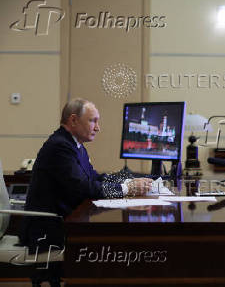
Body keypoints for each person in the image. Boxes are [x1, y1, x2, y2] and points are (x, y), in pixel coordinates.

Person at [20, 98, 152, 253]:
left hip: (63, 222)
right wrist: (126, 188)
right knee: (114, 244)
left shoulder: (75, 145)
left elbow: (94, 177)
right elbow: (84, 188)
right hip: (48, 231)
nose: (98, 128)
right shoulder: (59, 146)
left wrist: (128, 181)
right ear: (74, 120)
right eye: (93, 121)